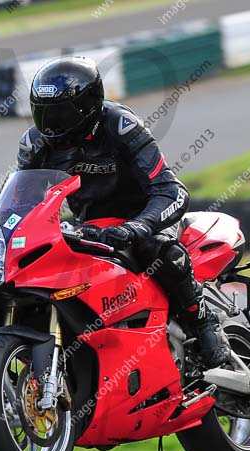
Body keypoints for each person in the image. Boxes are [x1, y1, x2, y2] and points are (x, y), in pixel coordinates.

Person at [17, 56, 230, 368]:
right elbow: (22, 202)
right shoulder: (35, 144)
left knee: (156, 248)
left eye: (60, 114)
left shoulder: (120, 126)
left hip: (144, 216)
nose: (52, 125)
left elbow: (171, 190)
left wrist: (138, 226)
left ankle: (203, 320)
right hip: (91, 226)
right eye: (43, 113)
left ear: (88, 105)